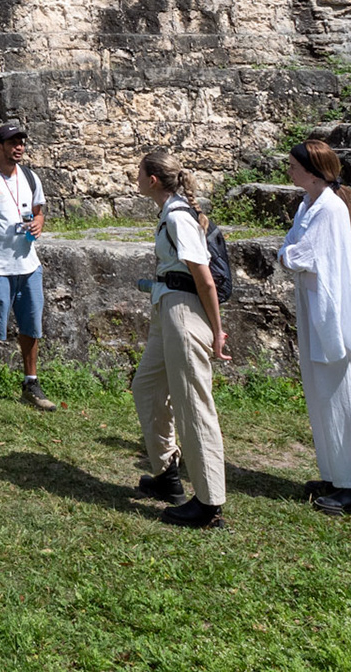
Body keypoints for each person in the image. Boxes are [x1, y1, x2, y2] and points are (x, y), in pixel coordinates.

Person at [131, 148, 229, 529]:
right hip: (168, 307)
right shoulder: (169, 213)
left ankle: (209, 503)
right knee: (147, 386)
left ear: (153, 179)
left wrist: (217, 331)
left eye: (140, 172)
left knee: (193, 404)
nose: (136, 178)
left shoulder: (177, 217)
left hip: (183, 312)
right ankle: (167, 473)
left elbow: (204, 279)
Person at [282, 139, 351, 517]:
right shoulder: (308, 204)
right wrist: (289, 253)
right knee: (323, 394)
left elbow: (300, 254)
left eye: (294, 166)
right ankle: (338, 476)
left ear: (312, 171)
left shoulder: (330, 209)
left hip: (331, 310)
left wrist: (286, 254)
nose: (289, 171)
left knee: (344, 394)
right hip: (313, 305)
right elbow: (295, 248)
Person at [0, 121, 57, 412]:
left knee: (31, 326)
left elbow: (39, 212)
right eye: (13, 142)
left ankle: (31, 383)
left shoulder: (30, 177)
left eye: (22, 142)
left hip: (29, 266)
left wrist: (39, 223)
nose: (19, 147)